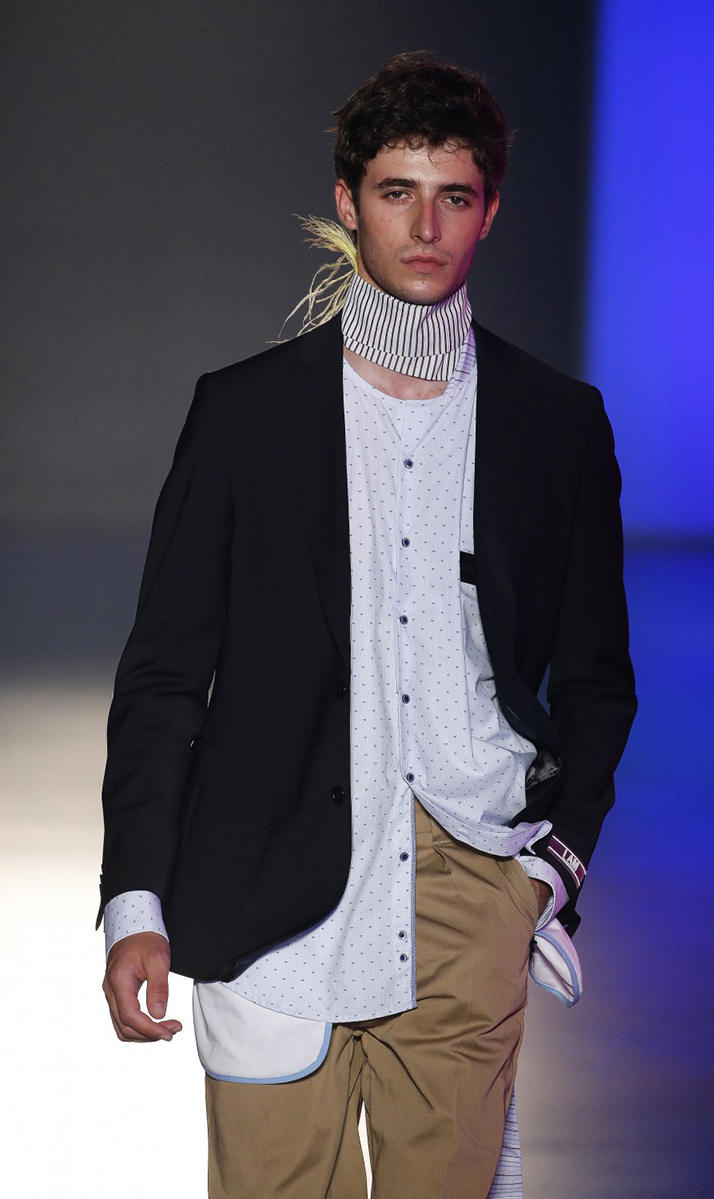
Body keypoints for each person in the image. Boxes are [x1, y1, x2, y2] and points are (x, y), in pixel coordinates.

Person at [97, 49, 637, 1199]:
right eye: (397, 191)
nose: (425, 225)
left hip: (468, 883)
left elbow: (596, 677)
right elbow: (163, 675)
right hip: (267, 891)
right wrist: (135, 898)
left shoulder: (556, 424)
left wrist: (546, 868)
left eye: (454, 195)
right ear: (347, 203)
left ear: (489, 210)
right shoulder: (243, 415)